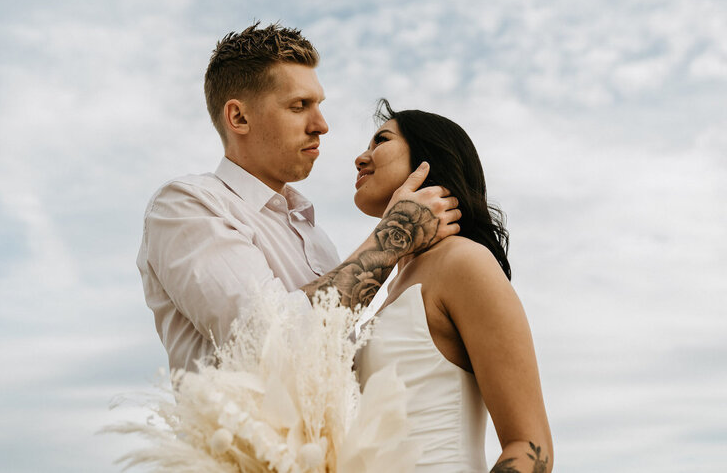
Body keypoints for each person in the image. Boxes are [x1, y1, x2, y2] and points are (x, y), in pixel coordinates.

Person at [137, 24, 461, 372]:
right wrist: (393, 236)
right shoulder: (187, 206)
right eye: (299, 106)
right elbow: (269, 345)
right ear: (239, 117)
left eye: (318, 105)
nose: (321, 125)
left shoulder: (317, 238)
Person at [354, 100, 553, 472]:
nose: (361, 158)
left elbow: (529, 444)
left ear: (428, 160)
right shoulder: (390, 289)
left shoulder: (463, 261)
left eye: (380, 140)